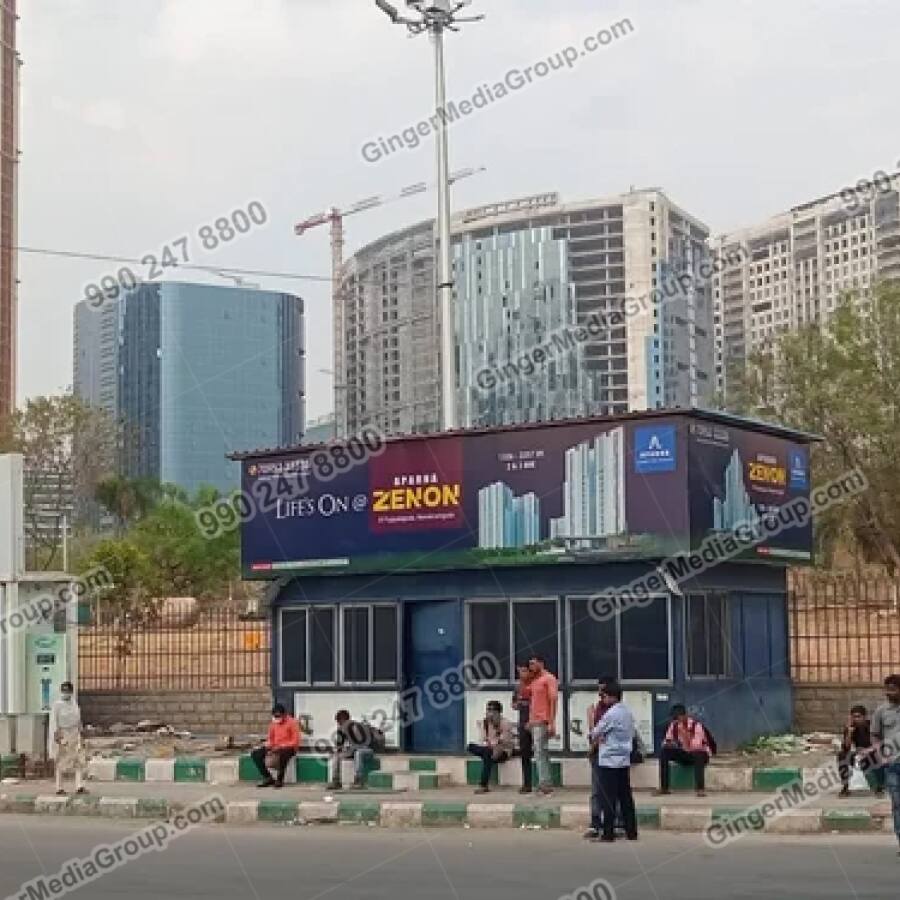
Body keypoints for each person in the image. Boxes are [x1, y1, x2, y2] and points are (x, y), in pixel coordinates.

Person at [590, 680, 637, 842]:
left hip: (609, 760)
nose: (602, 699)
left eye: (604, 696)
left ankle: (608, 833)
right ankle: (632, 831)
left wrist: (592, 721)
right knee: (625, 797)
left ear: (611, 697)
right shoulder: (627, 712)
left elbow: (595, 733)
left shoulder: (610, 714)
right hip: (623, 759)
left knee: (607, 799)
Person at [656, 704, 716, 797]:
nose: (677, 720)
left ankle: (700, 788)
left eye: (678, 717)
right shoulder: (674, 726)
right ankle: (664, 787)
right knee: (664, 752)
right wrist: (670, 744)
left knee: (698, 754)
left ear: (685, 716)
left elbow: (697, 745)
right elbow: (666, 740)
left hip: (699, 754)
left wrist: (685, 737)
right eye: (675, 718)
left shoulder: (696, 726)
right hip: (683, 752)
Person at [584, 675, 616, 839]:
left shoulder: (614, 711)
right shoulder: (597, 708)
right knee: (597, 791)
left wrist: (593, 746)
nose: (600, 694)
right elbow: (594, 732)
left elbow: (601, 734)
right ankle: (595, 823)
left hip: (609, 754)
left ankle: (615, 824)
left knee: (612, 791)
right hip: (598, 753)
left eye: (603, 690)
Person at [871, 673, 900, 855]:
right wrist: (880, 754)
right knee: (897, 804)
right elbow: (875, 734)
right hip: (893, 765)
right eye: (887, 689)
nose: (889, 693)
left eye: (894, 689)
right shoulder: (881, 712)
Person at [467, 700, 515, 793]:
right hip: (490, 749)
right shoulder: (485, 723)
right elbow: (483, 740)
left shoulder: (505, 723)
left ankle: (483, 785)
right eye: (488, 710)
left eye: (493, 710)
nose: (490, 713)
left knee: (487, 754)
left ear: (498, 712)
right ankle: (483, 784)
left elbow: (504, 742)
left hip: (502, 751)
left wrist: (494, 745)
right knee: (471, 747)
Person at [527, 655, 559, 796]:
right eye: (530, 664)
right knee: (540, 752)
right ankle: (545, 782)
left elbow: (553, 701)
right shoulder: (535, 680)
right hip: (535, 721)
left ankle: (544, 784)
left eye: (534, 664)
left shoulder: (549, 679)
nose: (532, 667)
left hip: (543, 721)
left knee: (540, 753)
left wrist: (552, 723)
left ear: (541, 663)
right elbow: (533, 703)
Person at [48, 681, 87, 796]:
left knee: (79, 760)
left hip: (75, 734)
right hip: (63, 734)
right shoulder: (57, 705)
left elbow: (78, 719)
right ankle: (59, 787)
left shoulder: (74, 704)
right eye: (64, 691)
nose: (66, 693)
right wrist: (57, 736)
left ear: (71, 692)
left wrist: (81, 733)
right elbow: (54, 722)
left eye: (68, 691)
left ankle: (79, 786)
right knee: (61, 761)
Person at [837, 704, 884, 797]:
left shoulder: (872, 726)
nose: (856, 719)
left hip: (872, 752)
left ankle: (879, 787)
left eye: (858, 717)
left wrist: (867, 750)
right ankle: (845, 786)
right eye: (854, 717)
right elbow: (846, 747)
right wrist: (849, 732)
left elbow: (879, 744)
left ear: (864, 717)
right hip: (859, 753)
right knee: (842, 755)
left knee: (876, 755)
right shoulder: (851, 727)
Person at [251, 703, 301, 788]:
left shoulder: (292, 723)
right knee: (255, 754)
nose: (277, 718)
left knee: (283, 754)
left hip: (289, 748)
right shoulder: (273, 724)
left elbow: (295, 741)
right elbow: (271, 739)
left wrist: (282, 746)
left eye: (279, 716)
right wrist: (267, 745)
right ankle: (268, 777)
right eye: (275, 716)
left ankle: (279, 779)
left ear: (284, 715)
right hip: (275, 746)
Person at [327, 710, 380, 790]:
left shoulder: (357, 727)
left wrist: (349, 749)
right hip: (353, 750)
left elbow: (362, 744)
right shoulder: (341, 730)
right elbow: (339, 746)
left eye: (341, 722)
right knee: (336, 756)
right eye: (339, 723)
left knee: (358, 753)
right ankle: (336, 781)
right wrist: (337, 750)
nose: (339, 724)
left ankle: (358, 780)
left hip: (367, 750)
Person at [511, 664, 534, 794]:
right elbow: (513, 704)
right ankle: (527, 784)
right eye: (519, 672)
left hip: (535, 722)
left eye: (524, 671)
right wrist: (518, 703)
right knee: (524, 754)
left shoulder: (535, 685)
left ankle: (545, 784)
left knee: (541, 753)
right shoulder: (518, 686)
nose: (521, 674)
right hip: (523, 723)